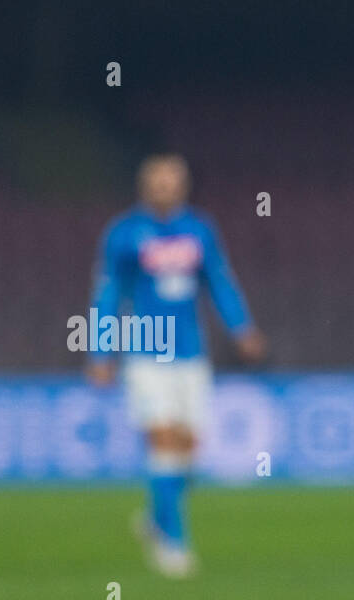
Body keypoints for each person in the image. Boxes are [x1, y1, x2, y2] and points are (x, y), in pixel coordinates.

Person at [87, 154, 266, 577]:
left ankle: (155, 516)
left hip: (191, 354)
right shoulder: (125, 233)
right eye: (159, 181)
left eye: (173, 181)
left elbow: (219, 282)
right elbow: (109, 292)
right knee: (163, 438)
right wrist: (100, 351)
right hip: (148, 353)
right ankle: (173, 543)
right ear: (144, 185)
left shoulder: (199, 229)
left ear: (184, 185)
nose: (166, 187)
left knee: (188, 450)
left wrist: (242, 328)